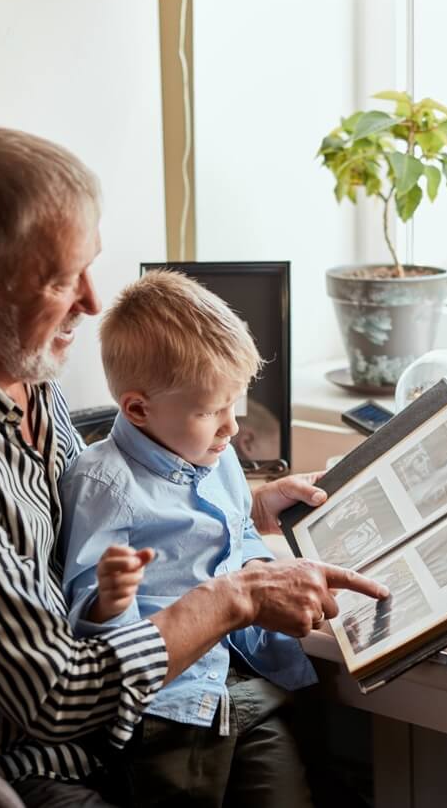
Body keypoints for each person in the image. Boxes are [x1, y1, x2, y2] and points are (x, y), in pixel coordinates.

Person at [0, 128, 388, 808]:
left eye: (89, 265)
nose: (92, 300)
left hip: (67, 742)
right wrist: (240, 596)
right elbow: (57, 693)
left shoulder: (13, 363)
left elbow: (105, 525)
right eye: (59, 279)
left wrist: (247, 512)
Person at [60, 270, 317, 807]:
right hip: (169, 713)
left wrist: (259, 516)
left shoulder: (212, 455)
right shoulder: (102, 481)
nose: (231, 428)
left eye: (234, 404)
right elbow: (84, 614)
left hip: (242, 686)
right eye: (209, 411)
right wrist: (109, 599)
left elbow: (233, 534)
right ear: (137, 409)